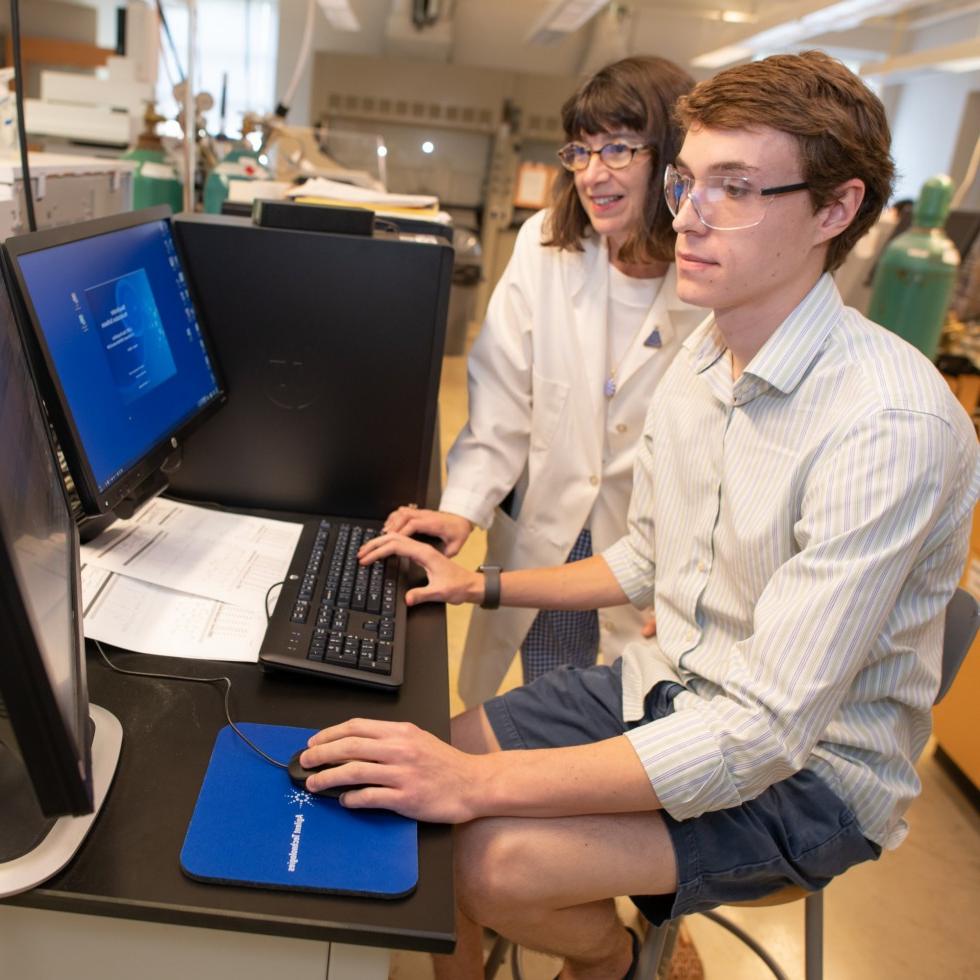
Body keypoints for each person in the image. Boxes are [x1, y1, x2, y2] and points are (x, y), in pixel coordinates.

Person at [299, 51, 980, 980]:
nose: (686, 217)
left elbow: (764, 733)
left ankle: (623, 965)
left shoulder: (886, 425)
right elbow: (647, 557)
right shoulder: (706, 362)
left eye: (733, 189)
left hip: (813, 776)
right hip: (665, 683)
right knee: (406, 785)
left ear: (836, 209)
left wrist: (482, 787)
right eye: (687, 182)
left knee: (489, 855)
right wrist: (485, 582)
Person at [384, 56, 705, 706]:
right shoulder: (544, 245)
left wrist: (696, 587)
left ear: (672, 156)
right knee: (552, 694)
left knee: (634, 710)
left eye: (617, 148)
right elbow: (502, 403)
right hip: (551, 534)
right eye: (580, 151)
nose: (592, 172)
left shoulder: (709, 274)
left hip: (658, 550)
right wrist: (461, 508)